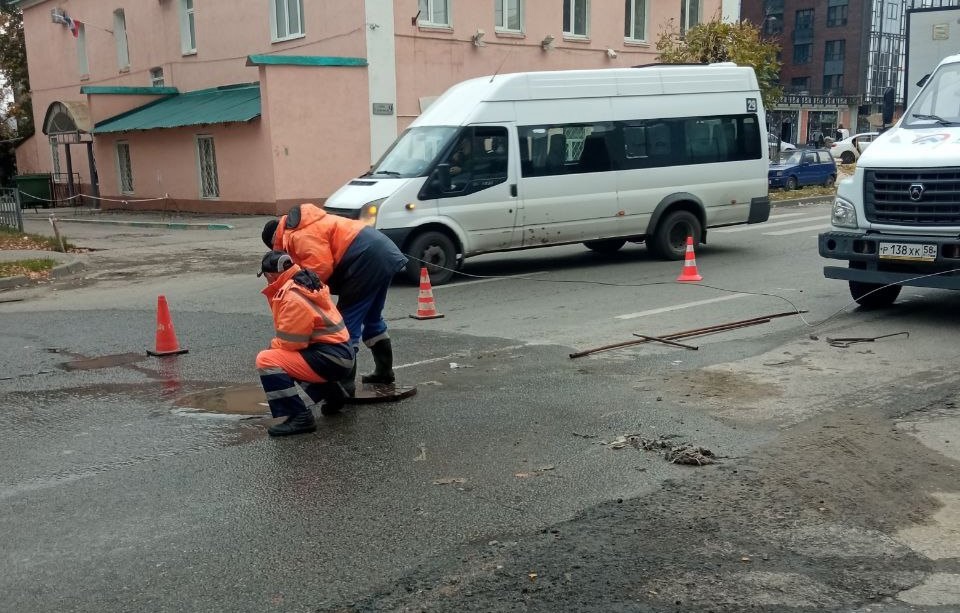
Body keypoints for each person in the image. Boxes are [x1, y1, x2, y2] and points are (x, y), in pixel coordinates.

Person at [261, 204, 408, 391]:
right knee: (372, 317)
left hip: (365, 259)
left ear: (275, 241)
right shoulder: (304, 224)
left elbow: (320, 267)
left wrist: (306, 295)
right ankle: (384, 372)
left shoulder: (298, 234)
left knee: (346, 323)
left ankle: (345, 387)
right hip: (382, 253)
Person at [255, 250, 356, 437]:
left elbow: (291, 343)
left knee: (268, 360)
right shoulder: (306, 281)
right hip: (339, 353)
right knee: (283, 358)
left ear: (270, 275)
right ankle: (333, 395)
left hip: (331, 358)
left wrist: (273, 348)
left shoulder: (291, 296)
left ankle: (300, 417)